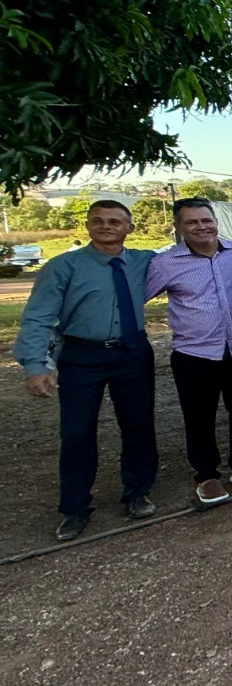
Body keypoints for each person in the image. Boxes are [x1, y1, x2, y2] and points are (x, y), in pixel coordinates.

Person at [15, 201, 158, 540]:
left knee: (138, 425)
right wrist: (35, 365)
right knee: (77, 432)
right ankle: (75, 507)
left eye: (115, 221)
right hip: (82, 355)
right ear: (88, 225)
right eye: (98, 221)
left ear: (129, 228)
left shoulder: (145, 261)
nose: (106, 226)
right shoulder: (63, 266)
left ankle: (138, 492)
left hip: (132, 352)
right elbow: (37, 316)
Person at [144, 197, 232, 506]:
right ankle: (206, 475)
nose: (201, 227)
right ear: (179, 226)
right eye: (192, 222)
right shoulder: (165, 263)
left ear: (215, 221)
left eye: (206, 220)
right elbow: (139, 297)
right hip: (195, 354)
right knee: (199, 417)